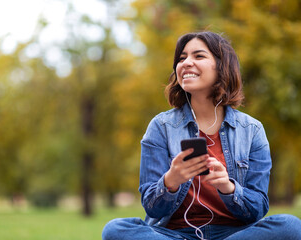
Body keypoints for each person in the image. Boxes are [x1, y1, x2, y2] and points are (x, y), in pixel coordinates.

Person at [102, 31, 301, 240]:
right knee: (115, 230)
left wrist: (228, 187)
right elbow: (153, 209)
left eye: (198, 56)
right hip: (174, 234)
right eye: (181, 58)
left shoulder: (252, 130)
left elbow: (258, 208)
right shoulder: (160, 127)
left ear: (222, 66)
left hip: (234, 234)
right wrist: (171, 181)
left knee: (290, 227)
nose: (186, 63)